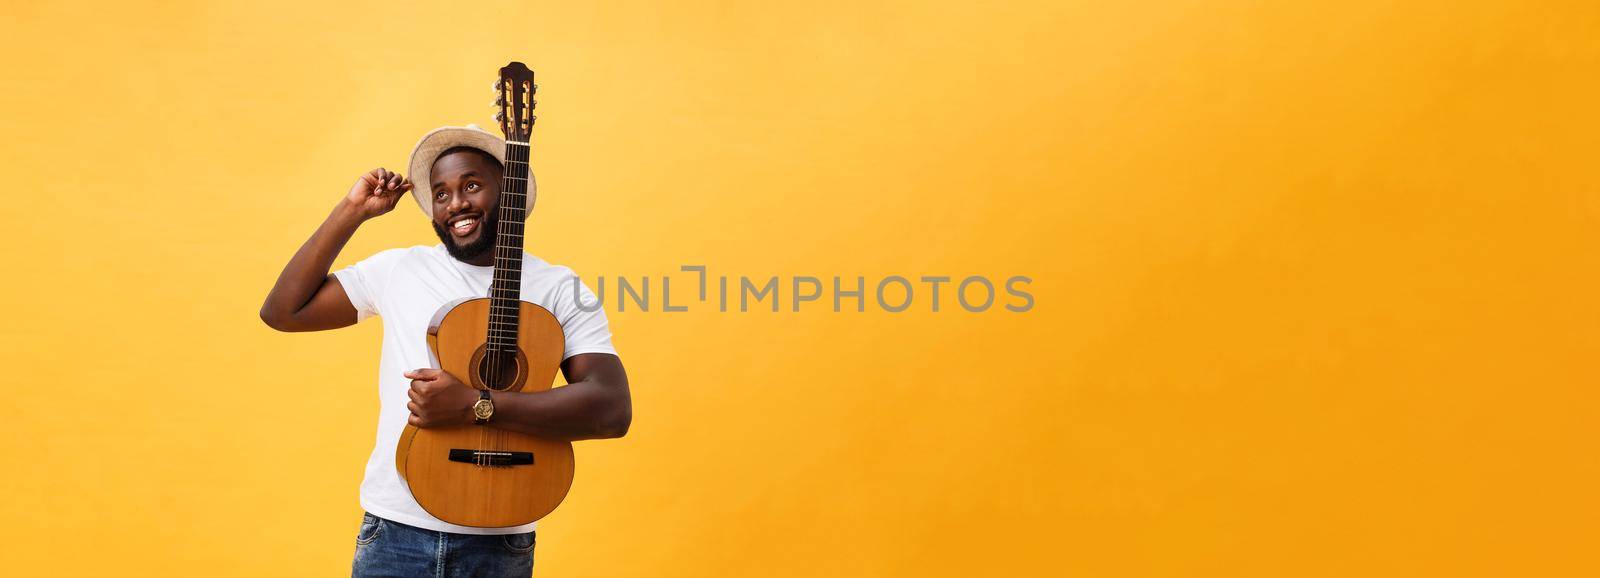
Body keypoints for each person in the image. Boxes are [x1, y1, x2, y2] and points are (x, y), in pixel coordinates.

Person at [259, 124, 632, 577]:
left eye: (471, 185)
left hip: (502, 541)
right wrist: (352, 210)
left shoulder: (558, 288)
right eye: (440, 193)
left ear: (509, 190)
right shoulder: (399, 270)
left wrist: (477, 406)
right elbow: (283, 312)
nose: (455, 203)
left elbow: (612, 410)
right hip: (396, 532)